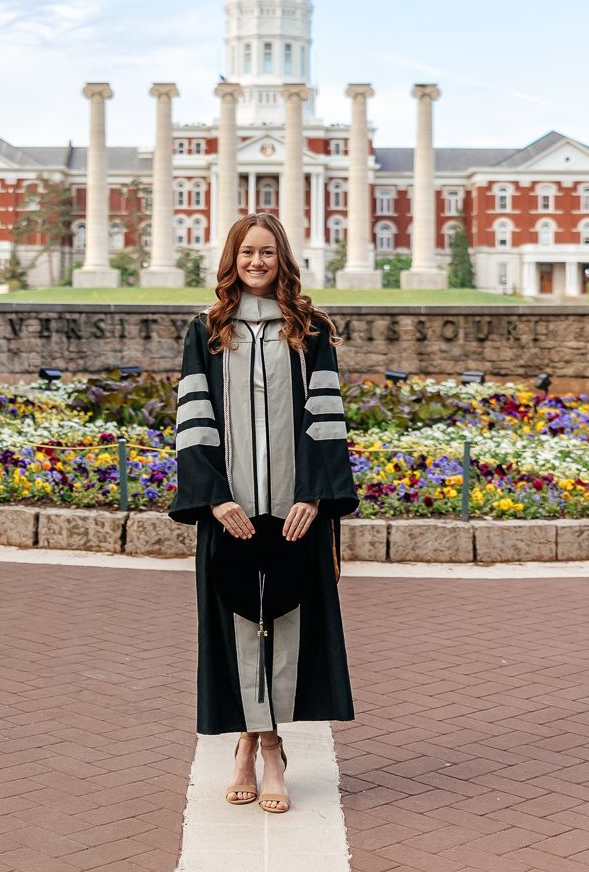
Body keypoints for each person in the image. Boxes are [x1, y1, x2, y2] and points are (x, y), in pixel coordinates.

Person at [169, 212, 357, 815]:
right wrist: (214, 497)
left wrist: (312, 495)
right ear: (232, 258)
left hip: (293, 508)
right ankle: (245, 743)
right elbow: (193, 418)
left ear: (283, 260)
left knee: (288, 623)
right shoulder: (207, 330)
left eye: (267, 254)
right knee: (239, 624)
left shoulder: (310, 328)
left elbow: (326, 418)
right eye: (247, 253)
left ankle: (272, 747)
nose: (256, 262)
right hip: (231, 509)